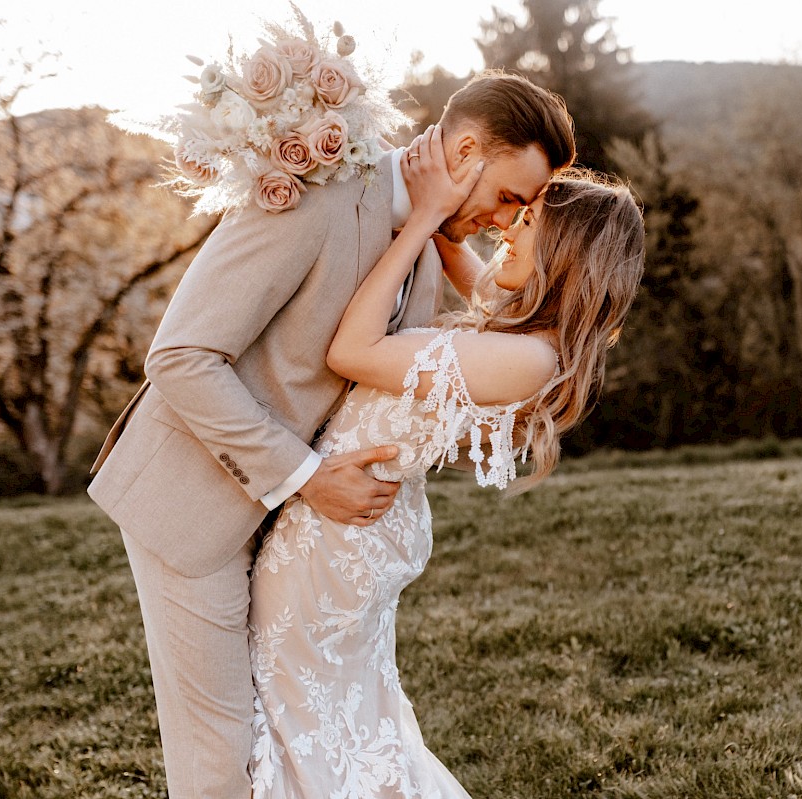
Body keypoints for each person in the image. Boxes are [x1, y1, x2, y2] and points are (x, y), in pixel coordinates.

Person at [87, 68, 576, 797]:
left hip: (291, 533)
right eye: (508, 197)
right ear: (465, 150)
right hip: (194, 501)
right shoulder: (317, 196)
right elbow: (181, 357)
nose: (507, 222)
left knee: (273, 747)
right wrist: (309, 478)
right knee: (222, 759)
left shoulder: (424, 243)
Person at [247, 126, 645, 796]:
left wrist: (426, 217)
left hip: (336, 546)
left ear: (566, 252)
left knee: (311, 725)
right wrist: (444, 201)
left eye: (526, 222)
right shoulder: (527, 338)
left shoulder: (523, 357)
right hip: (352, 530)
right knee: (338, 724)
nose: (506, 232)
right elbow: (480, 276)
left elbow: (352, 350)